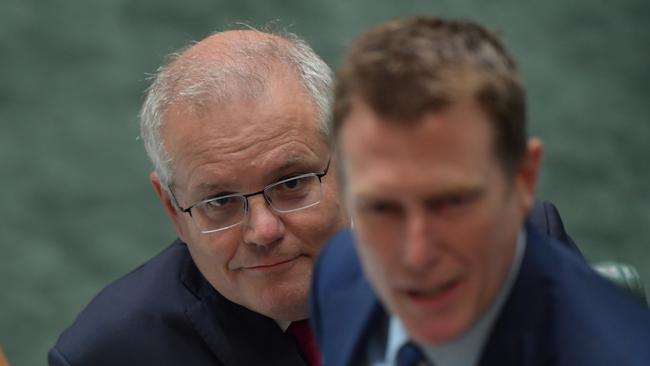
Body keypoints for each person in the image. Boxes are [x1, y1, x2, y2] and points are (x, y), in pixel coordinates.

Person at [310, 16, 650, 366]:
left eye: (452, 203)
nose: (416, 255)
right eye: (380, 207)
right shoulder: (339, 271)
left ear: (524, 178)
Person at [48, 29, 347, 365]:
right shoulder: (110, 355)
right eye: (220, 202)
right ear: (173, 211)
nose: (263, 231)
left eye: (291, 184)